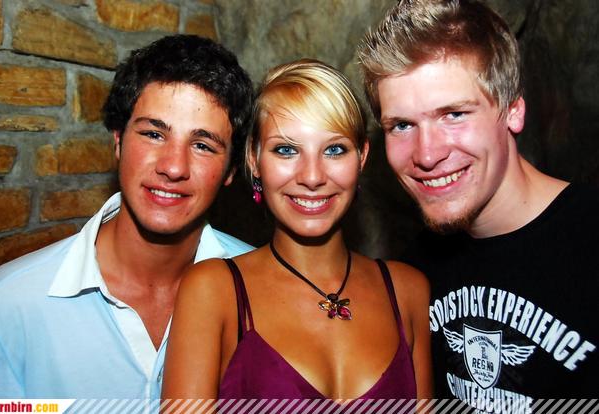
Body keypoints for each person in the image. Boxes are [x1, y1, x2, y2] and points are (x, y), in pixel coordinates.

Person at [0, 34, 254, 398]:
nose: (174, 167)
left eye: (202, 145)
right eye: (154, 134)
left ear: (231, 170)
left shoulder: (261, 290)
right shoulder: (10, 305)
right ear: (118, 141)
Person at [358, 0, 598, 407]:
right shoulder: (415, 271)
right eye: (402, 125)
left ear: (513, 111)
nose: (427, 154)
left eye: (453, 114)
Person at [162, 59, 432, 404]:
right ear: (254, 159)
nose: (312, 177)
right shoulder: (213, 291)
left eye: (334, 150)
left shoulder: (408, 291)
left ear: (362, 157)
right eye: (286, 150)